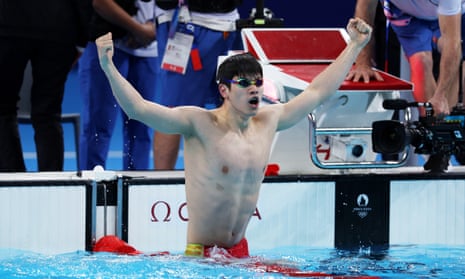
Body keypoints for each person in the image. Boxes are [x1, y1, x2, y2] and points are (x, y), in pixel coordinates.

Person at [96, 17, 371, 257]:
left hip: (240, 253)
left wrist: (354, 46)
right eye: (244, 83)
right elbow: (139, 108)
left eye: (258, 82)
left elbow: (316, 93)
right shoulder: (199, 123)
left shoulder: (269, 121)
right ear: (224, 91)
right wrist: (108, 66)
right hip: (202, 257)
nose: (254, 89)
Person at [347, 0, 464, 172]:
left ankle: (444, 135)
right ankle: (434, 138)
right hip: (406, 16)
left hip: (451, 15)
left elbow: (452, 45)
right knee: (421, 62)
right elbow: (366, 6)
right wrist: (363, 61)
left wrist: (440, 94)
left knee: (453, 55)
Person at [0, 0, 90, 172]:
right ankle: (51, 183)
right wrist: (82, 40)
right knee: (48, 113)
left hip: (9, 26)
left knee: (3, 110)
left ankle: (12, 179)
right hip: (58, 28)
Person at [152, 0, 243, 170]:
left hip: (230, 24)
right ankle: (161, 185)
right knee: (173, 111)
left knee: (231, 108)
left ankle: (224, 183)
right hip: (187, 25)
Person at [79, 0, 158, 171]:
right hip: (107, 45)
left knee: (141, 128)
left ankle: (137, 189)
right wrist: (138, 30)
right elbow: (101, 2)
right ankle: (91, 190)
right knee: (97, 127)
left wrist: (154, 31)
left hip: (149, 51)